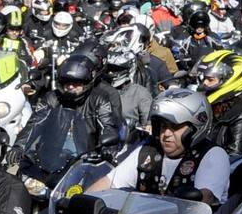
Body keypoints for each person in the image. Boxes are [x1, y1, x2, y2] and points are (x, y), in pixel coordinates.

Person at [90, 88, 230, 207]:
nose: (166, 134)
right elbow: (110, 182)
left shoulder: (212, 155)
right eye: (163, 126)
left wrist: (194, 197)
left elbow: (206, 197)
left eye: (175, 127)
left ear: (195, 128)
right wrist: (82, 200)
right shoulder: (149, 151)